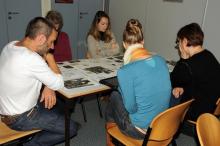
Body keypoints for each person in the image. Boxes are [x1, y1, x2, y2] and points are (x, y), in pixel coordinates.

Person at [0, 17, 77, 146]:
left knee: (56, 104)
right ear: (41, 38)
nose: (52, 47)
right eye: (51, 42)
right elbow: (58, 83)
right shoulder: (31, 58)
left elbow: (35, 71)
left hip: (8, 111)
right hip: (21, 119)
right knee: (71, 128)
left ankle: (38, 131)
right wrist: (50, 58)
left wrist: (48, 86)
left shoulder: (11, 45)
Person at [105, 19, 171, 146]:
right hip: (163, 125)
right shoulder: (161, 60)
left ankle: (111, 140)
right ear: (143, 42)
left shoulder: (125, 71)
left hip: (141, 131)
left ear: (124, 45)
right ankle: (112, 138)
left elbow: (131, 108)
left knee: (114, 96)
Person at [170, 23, 220, 121]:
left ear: (184, 41)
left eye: (178, 41)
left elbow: (172, 79)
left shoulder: (188, 65)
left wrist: (183, 58)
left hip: (197, 111)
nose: (178, 45)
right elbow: (196, 79)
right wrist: (181, 86)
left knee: (165, 95)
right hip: (211, 108)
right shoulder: (208, 55)